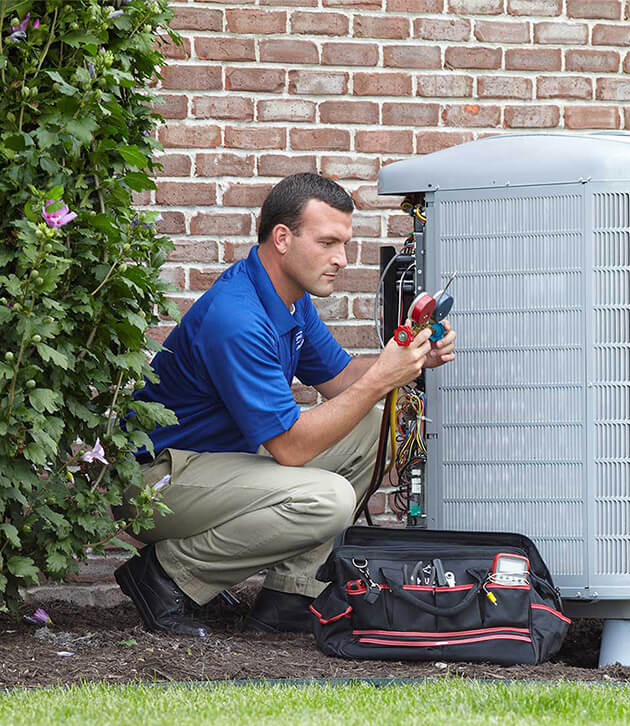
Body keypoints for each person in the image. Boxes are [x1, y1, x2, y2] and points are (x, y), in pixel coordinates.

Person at [114, 173, 456, 637]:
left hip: (216, 464)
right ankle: (165, 576)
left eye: (345, 244)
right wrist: (381, 378)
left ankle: (289, 597)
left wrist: (411, 359)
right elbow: (291, 449)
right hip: (156, 483)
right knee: (326, 499)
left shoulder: (289, 300)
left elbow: (340, 382)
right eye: (328, 243)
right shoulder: (237, 317)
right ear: (282, 238)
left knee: (378, 429)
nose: (341, 260)